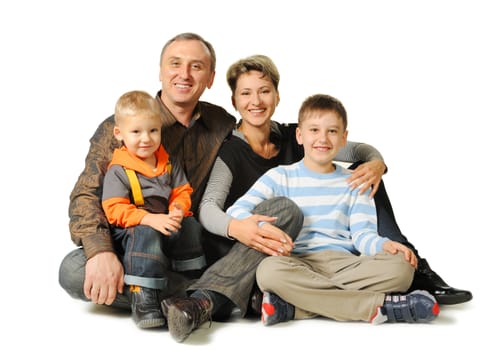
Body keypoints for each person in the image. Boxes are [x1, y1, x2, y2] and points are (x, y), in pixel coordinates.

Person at [162, 55, 445, 343]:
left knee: (397, 262)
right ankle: (378, 305)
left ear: (277, 96)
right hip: (265, 246)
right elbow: (209, 208)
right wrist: (240, 227)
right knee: (271, 268)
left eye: (264, 91)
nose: (256, 101)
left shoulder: (296, 137)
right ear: (234, 101)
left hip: (338, 260)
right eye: (246, 93)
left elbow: (359, 169)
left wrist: (376, 163)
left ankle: (294, 305)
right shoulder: (242, 157)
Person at [59, 33, 237, 311]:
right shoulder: (122, 126)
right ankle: (213, 296)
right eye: (175, 64)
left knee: (230, 250)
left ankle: (171, 294)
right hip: (133, 242)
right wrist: (101, 251)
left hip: (188, 245)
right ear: (161, 71)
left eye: (196, 66)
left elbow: (254, 142)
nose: (184, 75)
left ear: (211, 78)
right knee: (72, 270)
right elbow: (86, 194)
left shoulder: (221, 124)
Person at [228, 93, 440, 326]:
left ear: (343, 138)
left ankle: (295, 307)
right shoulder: (280, 177)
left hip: (346, 264)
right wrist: (261, 228)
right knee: (268, 272)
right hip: (297, 262)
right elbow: (237, 209)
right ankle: (380, 306)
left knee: (401, 269)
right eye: (314, 130)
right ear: (299, 135)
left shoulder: (355, 180)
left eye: (332, 131)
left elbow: (362, 234)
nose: (323, 139)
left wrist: (384, 245)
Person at [102, 90, 198, 328]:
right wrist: (149, 220)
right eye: (136, 132)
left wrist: (177, 208)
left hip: (165, 224)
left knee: (191, 224)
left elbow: (182, 190)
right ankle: (143, 294)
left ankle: (192, 279)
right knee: (145, 233)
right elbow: (114, 209)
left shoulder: (168, 162)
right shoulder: (119, 170)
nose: (146, 138)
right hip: (131, 234)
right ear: (119, 134)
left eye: (152, 131)